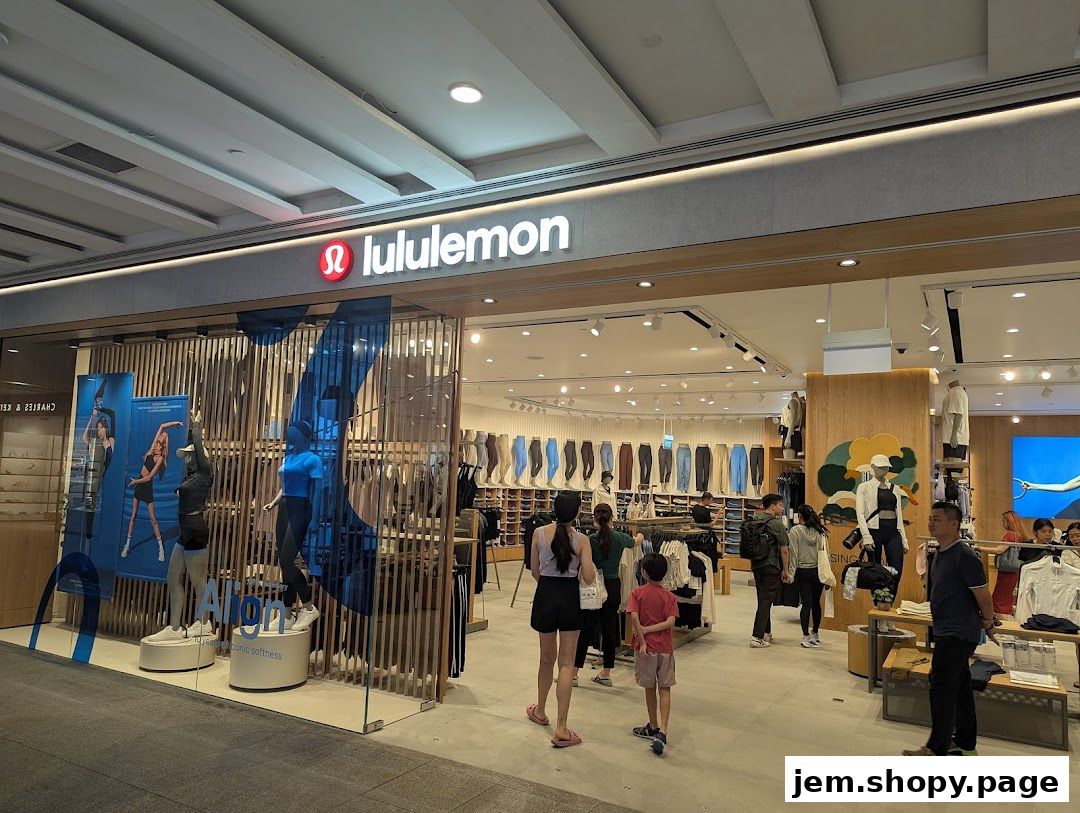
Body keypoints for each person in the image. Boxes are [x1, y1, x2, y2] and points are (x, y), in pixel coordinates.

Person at [903, 502, 996, 756]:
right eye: (930, 518)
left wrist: (988, 622)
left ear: (954, 524)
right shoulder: (939, 553)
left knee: (941, 686)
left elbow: (983, 595)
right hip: (946, 629)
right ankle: (965, 740)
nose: (931, 523)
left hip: (958, 632)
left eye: (938, 519)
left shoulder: (964, 555)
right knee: (960, 685)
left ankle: (936, 747)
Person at [527, 491, 595, 748]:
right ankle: (562, 727)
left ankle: (540, 710)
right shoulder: (582, 540)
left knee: (546, 657)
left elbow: (534, 571)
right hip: (569, 597)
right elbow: (588, 577)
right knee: (566, 663)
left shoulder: (538, 534)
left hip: (545, 594)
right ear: (578, 511)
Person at [573, 503, 642, 687]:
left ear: (595, 520)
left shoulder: (590, 540)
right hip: (612, 586)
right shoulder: (620, 538)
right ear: (612, 519)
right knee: (610, 629)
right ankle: (606, 673)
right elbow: (636, 542)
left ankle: (574, 673)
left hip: (593, 586)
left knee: (586, 629)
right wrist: (641, 535)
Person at [629, 552, 678, 756]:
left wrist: (643, 637)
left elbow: (634, 617)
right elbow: (670, 622)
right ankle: (664, 731)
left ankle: (653, 725)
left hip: (646, 649)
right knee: (665, 687)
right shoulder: (669, 596)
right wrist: (653, 630)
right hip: (665, 648)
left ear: (645, 573)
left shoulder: (637, 593)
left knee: (649, 687)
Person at [123, 420, 184, 562]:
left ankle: (160, 548)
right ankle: (127, 545)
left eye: (164, 436)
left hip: (145, 485)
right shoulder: (151, 449)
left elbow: (149, 477)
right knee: (133, 516)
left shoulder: (161, 458)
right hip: (139, 484)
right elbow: (162, 425)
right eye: (161, 435)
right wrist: (175, 423)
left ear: (165, 440)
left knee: (153, 519)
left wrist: (135, 482)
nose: (161, 435)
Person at [749, 493, 792, 648]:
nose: (782, 507)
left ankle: (766, 632)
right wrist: (785, 570)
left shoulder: (754, 519)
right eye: (780, 505)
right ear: (772, 506)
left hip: (756, 564)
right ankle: (756, 636)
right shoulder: (776, 524)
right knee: (766, 601)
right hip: (771, 565)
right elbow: (784, 549)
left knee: (762, 599)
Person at [787, 504, 828, 648]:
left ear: (799, 516)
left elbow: (794, 554)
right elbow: (825, 554)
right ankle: (815, 633)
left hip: (802, 571)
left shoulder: (795, 531)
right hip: (818, 571)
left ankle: (805, 635)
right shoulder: (819, 531)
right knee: (816, 603)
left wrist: (791, 574)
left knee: (806, 604)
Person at [978, 510, 1027, 617]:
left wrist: (980, 548)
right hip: (1014, 571)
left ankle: (1003, 621)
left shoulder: (1009, 535)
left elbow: (999, 550)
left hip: (1006, 571)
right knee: (1008, 596)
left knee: (1000, 597)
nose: (1002, 523)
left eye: (1003, 520)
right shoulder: (1019, 535)